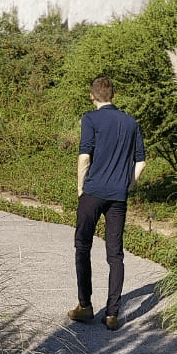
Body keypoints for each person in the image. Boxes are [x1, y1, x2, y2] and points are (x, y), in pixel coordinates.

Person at [67, 75, 146, 331]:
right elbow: (141, 162)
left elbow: (84, 157)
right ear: (114, 95)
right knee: (115, 254)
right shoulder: (130, 122)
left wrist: (81, 188)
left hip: (93, 192)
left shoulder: (90, 119)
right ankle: (112, 314)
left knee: (82, 245)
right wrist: (127, 185)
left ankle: (85, 305)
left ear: (92, 96)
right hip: (118, 196)